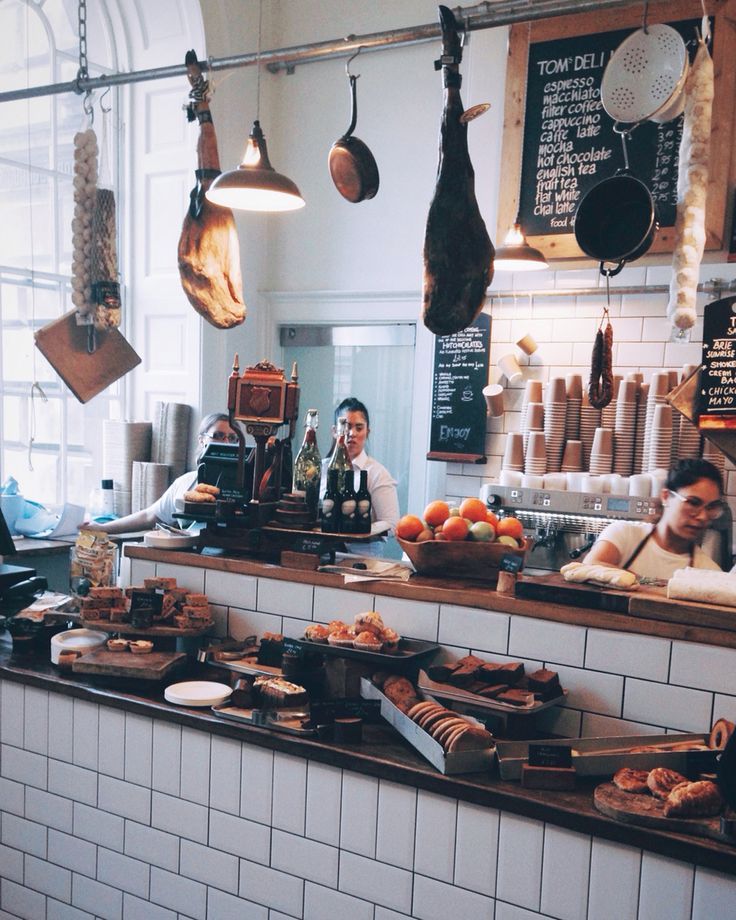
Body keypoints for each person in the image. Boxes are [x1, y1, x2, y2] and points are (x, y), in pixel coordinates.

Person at [80, 413, 238, 535]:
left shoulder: (244, 485)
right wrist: (102, 528)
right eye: (218, 436)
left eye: (232, 438)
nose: (226, 443)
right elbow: (150, 516)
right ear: (201, 440)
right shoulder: (186, 482)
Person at [583, 458, 726, 580]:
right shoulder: (624, 534)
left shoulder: (708, 572)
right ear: (666, 497)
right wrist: (647, 583)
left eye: (711, 508)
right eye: (693, 502)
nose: (703, 516)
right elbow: (591, 566)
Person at [321, 397, 400, 540]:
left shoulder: (377, 474)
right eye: (346, 426)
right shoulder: (322, 468)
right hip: (321, 552)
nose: (352, 433)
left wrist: (360, 529)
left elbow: (392, 525)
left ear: (367, 432)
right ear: (334, 431)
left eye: (359, 427)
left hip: (362, 555)